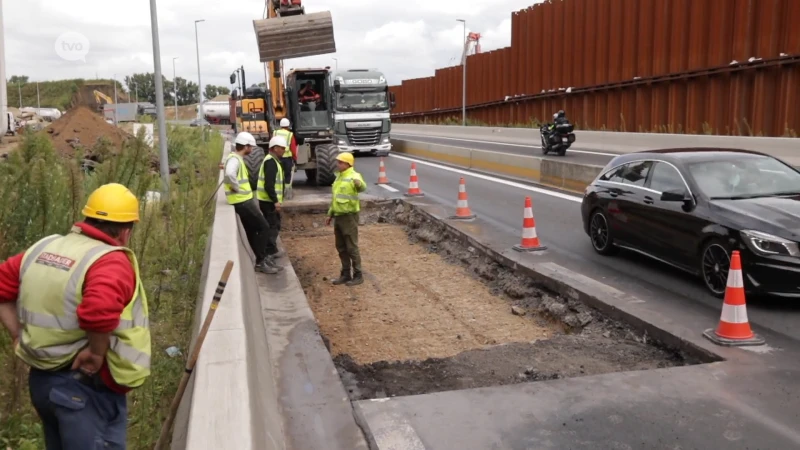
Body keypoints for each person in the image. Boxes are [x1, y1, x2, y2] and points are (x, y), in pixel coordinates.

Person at [0, 183, 150, 449]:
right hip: (84, 388)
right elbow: (98, 312)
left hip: (43, 383)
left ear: (87, 217)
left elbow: (2, 287)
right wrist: (96, 352)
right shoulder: (109, 261)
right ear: (126, 231)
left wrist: (17, 334)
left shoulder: (45, 247)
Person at [225, 132, 281, 274]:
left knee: (252, 231)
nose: (252, 150)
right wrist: (236, 187)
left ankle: (261, 259)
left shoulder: (236, 158)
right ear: (246, 146)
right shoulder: (235, 160)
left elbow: (230, 174)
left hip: (242, 201)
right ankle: (262, 261)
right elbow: (229, 174)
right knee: (264, 227)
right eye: (251, 147)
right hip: (242, 202)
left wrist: (234, 186)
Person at [325, 153, 367, 286]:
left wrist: (359, 184)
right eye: (338, 162)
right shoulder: (339, 178)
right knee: (341, 247)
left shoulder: (354, 176)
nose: (338, 164)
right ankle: (345, 274)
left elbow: (362, 187)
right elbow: (335, 199)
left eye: (341, 162)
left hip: (349, 216)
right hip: (338, 216)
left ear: (348, 164)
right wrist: (330, 214)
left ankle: (358, 275)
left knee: (351, 247)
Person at [257, 135, 288, 260]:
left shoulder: (272, 161)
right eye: (282, 148)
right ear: (275, 148)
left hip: (267, 200)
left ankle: (270, 250)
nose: (284, 151)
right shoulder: (271, 162)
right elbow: (269, 185)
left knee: (274, 224)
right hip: (268, 201)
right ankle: (270, 252)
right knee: (272, 225)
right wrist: (276, 201)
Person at [273, 118, 297, 185]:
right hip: (287, 158)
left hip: (277, 157)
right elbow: (293, 148)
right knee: (287, 175)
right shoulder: (290, 134)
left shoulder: (275, 132)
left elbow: (272, 144)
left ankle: (278, 187)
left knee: (277, 174)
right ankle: (286, 189)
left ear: (280, 125)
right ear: (288, 126)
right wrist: (294, 157)